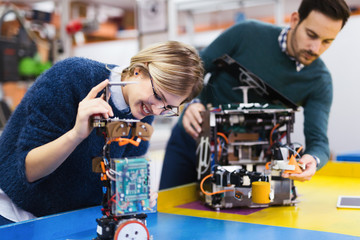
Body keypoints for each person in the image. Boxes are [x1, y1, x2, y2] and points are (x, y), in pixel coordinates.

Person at [0, 41, 204, 225]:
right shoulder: (71, 77)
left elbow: (121, 172)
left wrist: (134, 191)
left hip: (69, 218)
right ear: (138, 71)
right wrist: (76, 135)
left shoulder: (143, 109)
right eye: (158, 96)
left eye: (168, 108)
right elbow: (28, 170)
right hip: (17, 212)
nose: (157, 110)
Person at [160, 0, 350, 190]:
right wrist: (193, 102)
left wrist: (312, 159)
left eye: (327, 42)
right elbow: (195, 69)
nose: (315, 48)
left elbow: (319, 142)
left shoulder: (319, 81)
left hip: (247, 162)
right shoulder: (245, 33)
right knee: (167, 212)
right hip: (191, 139)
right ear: (294, 20)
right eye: (311, 35)